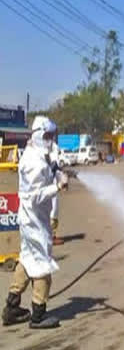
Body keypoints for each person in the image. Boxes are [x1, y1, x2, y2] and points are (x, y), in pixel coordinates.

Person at [2, 116, 68, 329]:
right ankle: (38, 314)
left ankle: (11, 307)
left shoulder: (36, 153)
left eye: (52, 136)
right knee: (41, 264)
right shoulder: (33, 162)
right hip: (34, 220)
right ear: (39, 135)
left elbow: (49, 162)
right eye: (47, 136)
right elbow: (35, 195)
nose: (50, 140)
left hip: (32, 218)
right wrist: (57, 187)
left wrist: (57, 169)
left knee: (27, 259)